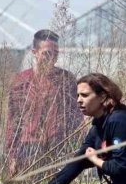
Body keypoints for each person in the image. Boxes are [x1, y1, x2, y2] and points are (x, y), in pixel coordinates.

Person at [6, 30, 83, 174]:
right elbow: (13, 122)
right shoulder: (21, 81)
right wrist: (12, 157)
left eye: (56, 53)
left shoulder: (66, 79)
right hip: (28, 147)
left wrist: (75, 147)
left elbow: (76, 116)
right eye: (47, 53)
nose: (52, 58)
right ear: (35, 52)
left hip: (59, 146)